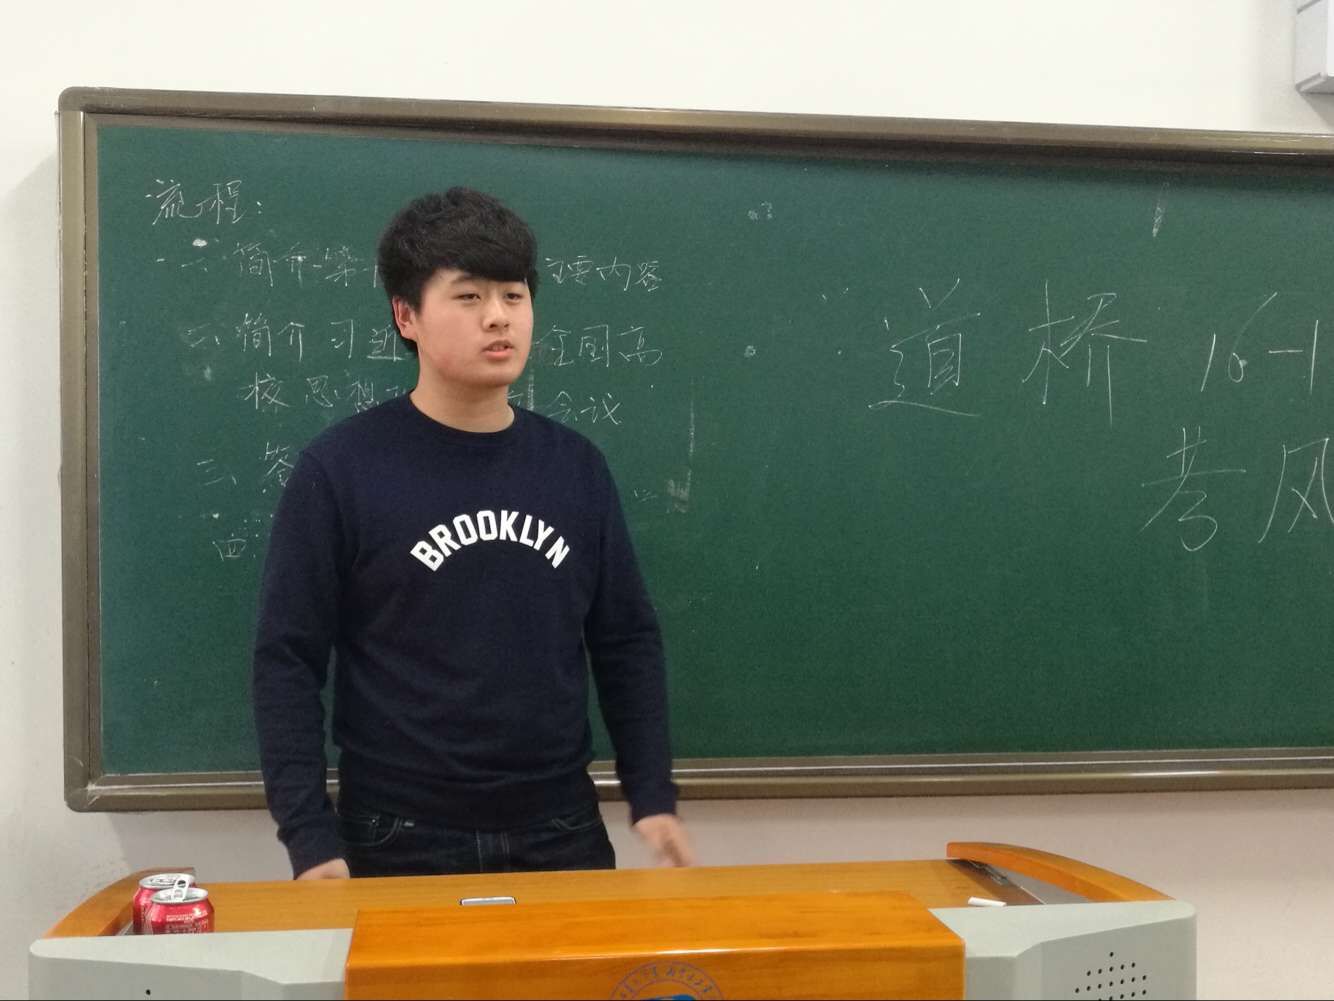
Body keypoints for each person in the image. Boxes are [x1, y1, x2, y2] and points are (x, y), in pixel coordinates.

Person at [252, 187, 693, 880]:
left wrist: (652, 793)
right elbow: (287, 658)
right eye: (468, 296)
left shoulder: (574, 466)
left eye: (514, 295)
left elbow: (625, 638)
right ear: (406, 316)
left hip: (561, 826)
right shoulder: (341, 468)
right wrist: (310, 837)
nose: (498, 316)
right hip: (398, 833)